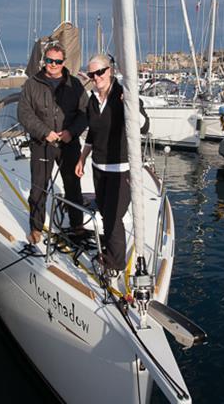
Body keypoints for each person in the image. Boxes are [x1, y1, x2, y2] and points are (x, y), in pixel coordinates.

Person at [74, 54, 149, 273]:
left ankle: (115, 264)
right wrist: (82, 157)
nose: (96, 77)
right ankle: (109, 252)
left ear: (111, 70)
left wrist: (132, 106)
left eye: (100, 72)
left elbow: (143, 127)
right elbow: (92, 134)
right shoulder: (92, 100)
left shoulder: (123, 95)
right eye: (92, 74)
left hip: (122, 170)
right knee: (107, 214)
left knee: (114, 219)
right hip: (99, 168)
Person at [17, 43, 88, 244]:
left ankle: (77, 224)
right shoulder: (32, 84)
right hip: (42, 143)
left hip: (69, 144)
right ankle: (36, 227)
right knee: (39, 187)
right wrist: (44, 132)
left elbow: (84, 114)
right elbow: (24, 113)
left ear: (64, 62)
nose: (53, 64)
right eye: (49, 60)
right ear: (44, 61)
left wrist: (71, 132)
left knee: (73, 186)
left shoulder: (75, 85)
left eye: (57, 61)